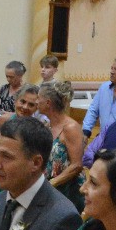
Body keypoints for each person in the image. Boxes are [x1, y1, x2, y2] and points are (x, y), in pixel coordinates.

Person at [39, 80, 87, 212]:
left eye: (39, 98)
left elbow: (77, 165)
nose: (37, 102)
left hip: (69, 191)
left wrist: (51, 184)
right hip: (51, 189)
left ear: (48, 103)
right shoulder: (47, 125)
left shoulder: (71, 127)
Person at [83, 56, 116, 138]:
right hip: (103, 137)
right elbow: (93, 110)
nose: (112, 72)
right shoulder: (104, 87)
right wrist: (86, 131)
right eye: (112, 68)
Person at [0, 60, 28, 128]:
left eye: (11, 77)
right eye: (7, 76)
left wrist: (6, 114)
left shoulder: (26, 91)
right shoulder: (4, 88)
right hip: (2, 124)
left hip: (18, 126)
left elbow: (26, 113)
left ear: (20, 76)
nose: (8, 79)